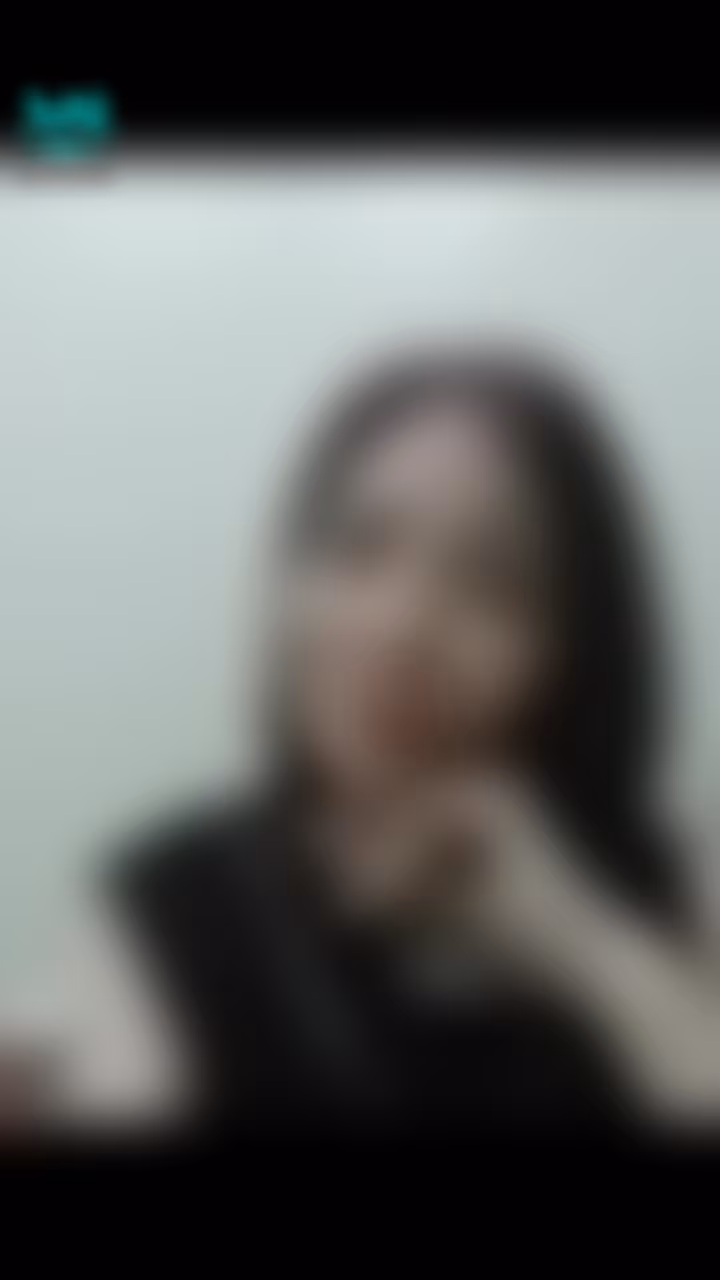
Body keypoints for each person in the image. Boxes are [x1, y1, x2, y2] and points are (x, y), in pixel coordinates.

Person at [43, 348, 720, 1132]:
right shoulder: (163, 910)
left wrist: (575, 936)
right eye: (359, 547)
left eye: (491, 580)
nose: (401, 627)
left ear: (572, 649)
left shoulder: (673, 887)